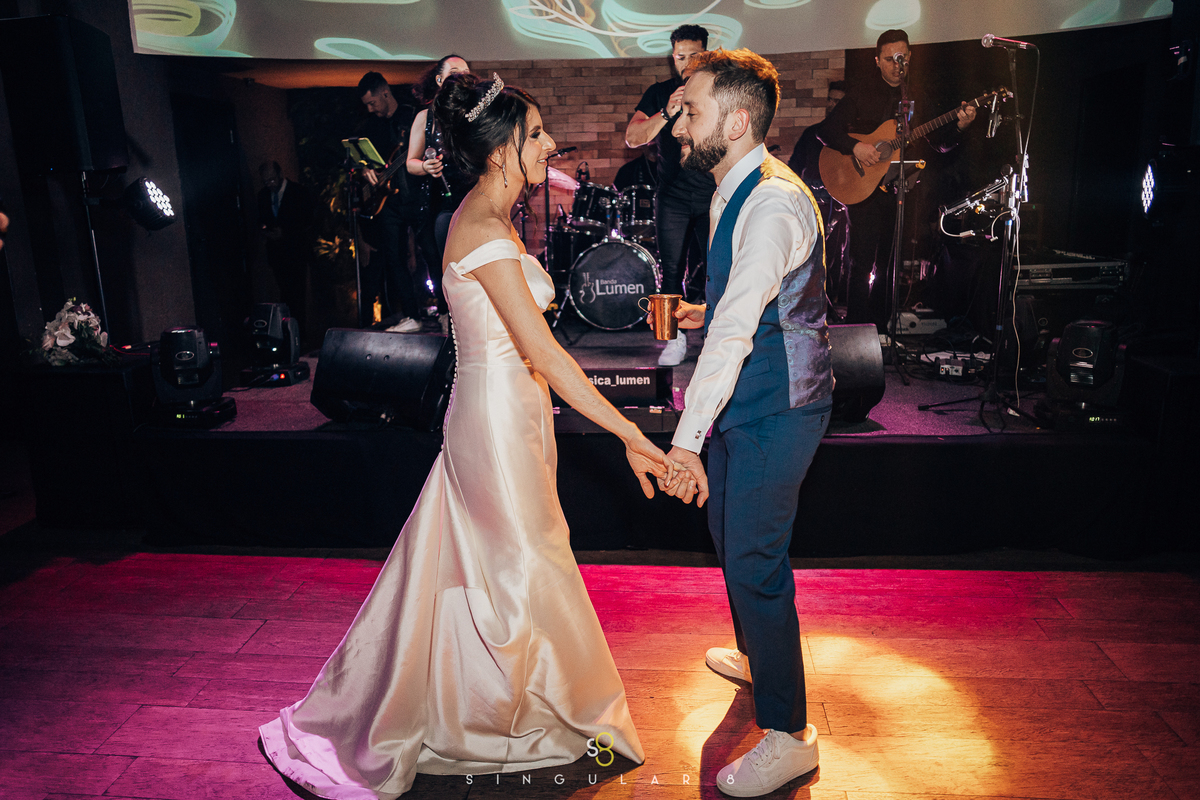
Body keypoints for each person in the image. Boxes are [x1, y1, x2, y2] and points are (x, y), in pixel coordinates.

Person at [258, 71, 686, 798]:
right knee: (524, 563)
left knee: (480, 562)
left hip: (505, 409)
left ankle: (483, 703)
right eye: (537, 135)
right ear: (501, 152)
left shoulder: (483, 213)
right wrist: (631, 434)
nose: (550, 144)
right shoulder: (485, 231)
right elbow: (545, 354)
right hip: (496, 413)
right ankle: (510, 716)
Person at [656, 48, 831, 797]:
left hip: (779, 407)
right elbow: (743, 303)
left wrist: (684, 443)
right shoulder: (735, 184)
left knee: (755, 559)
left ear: (734, 119)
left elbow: (735, 334)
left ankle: (790, 734)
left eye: (688, 110)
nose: (674, 125)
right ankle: (762, 661)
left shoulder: (771, 201)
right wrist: (709, 307)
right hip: (749, 398)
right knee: (729, 536)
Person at [819, 29, 976, 328]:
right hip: (862, 187)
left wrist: (960, 127)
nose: (895, 64)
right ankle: (855, 326)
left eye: (901, 58)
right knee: (861, 259)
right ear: (877, 61)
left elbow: (939, 143)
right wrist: (856, 146)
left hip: (898, 189)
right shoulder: (860, 92)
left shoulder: (916, 97)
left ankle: (879, 328)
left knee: (890, 263)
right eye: (889, 59)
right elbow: (825, 131)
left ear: (910, 58)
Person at [625, 24, 717, 367]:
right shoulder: (659, 91)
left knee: (716, 269)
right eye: (681, 57)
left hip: (712, 195)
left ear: (706, 54)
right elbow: (633, 137)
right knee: (671, 270)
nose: (687, 62)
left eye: (695, 55)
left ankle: (714, 338)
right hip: (673, 198)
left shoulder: (718, 88)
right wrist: (666, 112)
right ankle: (673, 339)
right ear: (672, 58)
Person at [358, 71, 423, 332]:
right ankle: (411, 315)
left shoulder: (412, 116)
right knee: (394, 258)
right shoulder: (370, 126)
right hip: (388, 201)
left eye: (373, 102)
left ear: (386, 92)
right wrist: (365, 170)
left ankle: (442, 312)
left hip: (415, 196)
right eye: (366, 105)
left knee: (430, 252)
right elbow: (363, 159)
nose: (370, 108)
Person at [787, 81, 849, 309]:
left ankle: (829, 304)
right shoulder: (811, 134)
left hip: (839, 204)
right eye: (830, 100)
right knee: (809, 257)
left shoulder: (851, 140)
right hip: (811, 203)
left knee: (835, 258)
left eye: (838, 101)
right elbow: (793, 169)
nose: (832, 105)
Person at [408, 56, 475, 258]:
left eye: (465, 72)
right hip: (439, 203)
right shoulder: (425, 118)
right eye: (455, 72)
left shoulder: (476, 114)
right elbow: (411, 162)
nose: (461, 77)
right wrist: (426, 167)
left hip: (472, 200)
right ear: (439, 80)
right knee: (442, 264)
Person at [257, 162, 314, 330]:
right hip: (277, 252)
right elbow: (261, 219)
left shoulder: (298, 192)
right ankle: (287, 331)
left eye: (272, 180)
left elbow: (307, 220)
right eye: (266, 181)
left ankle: (299, 332)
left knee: (297, 293)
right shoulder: (263, 195)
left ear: (280, 174)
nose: (270, 184)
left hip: (296, 250)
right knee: (284, 293)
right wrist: (267, 231)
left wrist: (286, 232)